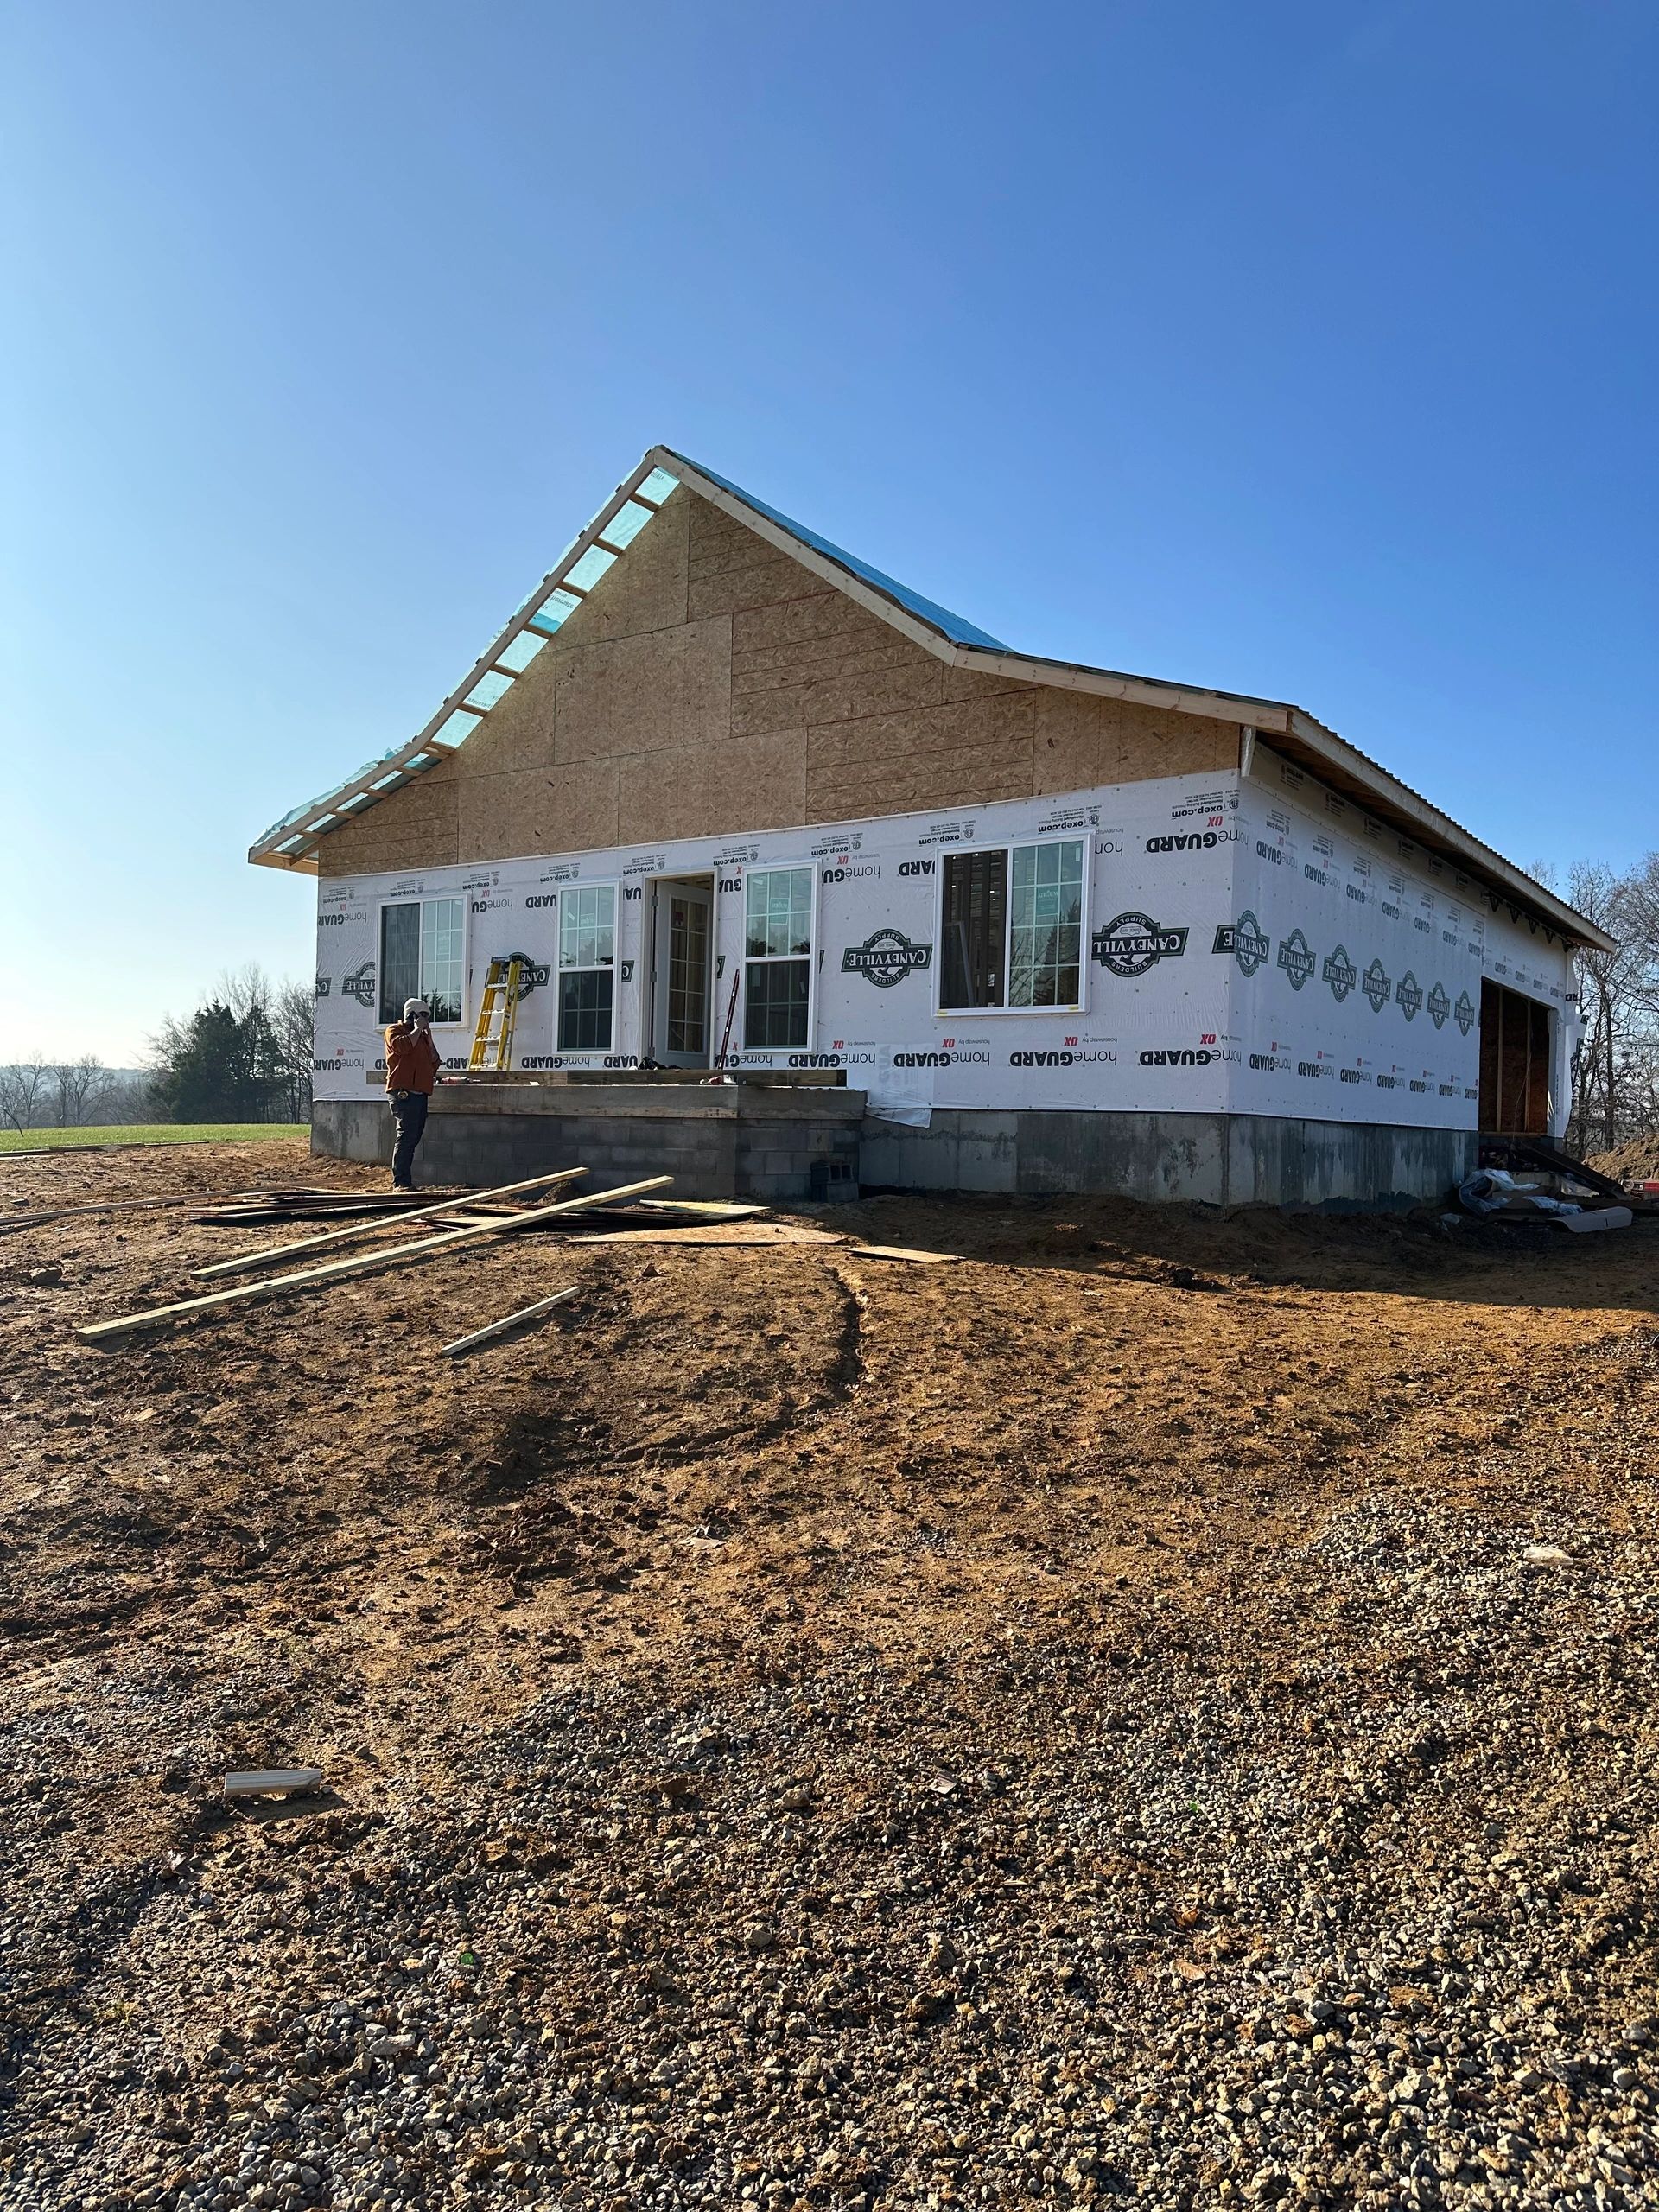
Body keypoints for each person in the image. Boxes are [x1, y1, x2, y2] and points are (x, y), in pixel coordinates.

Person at [384, 997, 442, 1190]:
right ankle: (400, 1181)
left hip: (420, 1094)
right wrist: (417, 1030)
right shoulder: (394, 1031)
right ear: (412, 1015)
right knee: (406, 1136)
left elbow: (434, 1062)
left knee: (414, 1137)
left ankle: (405, 1179)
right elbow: (402, 1047)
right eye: (423, 1015)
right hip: (403, 1092)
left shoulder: (422, 1038)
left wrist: (429, 1039)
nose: (426, 1020)